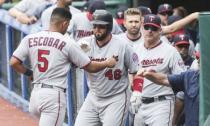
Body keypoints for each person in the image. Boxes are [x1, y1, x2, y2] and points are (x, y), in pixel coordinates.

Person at [9, 8, 117, 126]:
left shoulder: (30, 38)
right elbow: (90, 67)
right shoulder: (67, 42)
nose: (67, 28)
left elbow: (14, 62)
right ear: (64, 23)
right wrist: (107, 63)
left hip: (35, 95)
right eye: (67, 25)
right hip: (53, 96)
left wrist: (29, 73)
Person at [74, 9, 139, 126]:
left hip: (116, 98)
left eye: (101, 26)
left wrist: (137, 91)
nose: (97, 30)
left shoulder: (123, 45)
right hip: (93, 96)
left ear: (109, 27)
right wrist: (75, 49)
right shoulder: (85, 44)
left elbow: (136, 71)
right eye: (95, 26)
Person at [131, 14, 186, 126]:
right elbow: (131, 73)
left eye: (154, 28)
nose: (150, 31)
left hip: (162, 103)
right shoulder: (135, 49)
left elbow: (182, 80)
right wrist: (134, 91)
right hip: (140, 104)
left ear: (160, 30)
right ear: (142, 27)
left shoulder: (170, 51)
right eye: (147, 27)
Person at [137, 51, 200, 126]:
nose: (198, 61)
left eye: (200, 59)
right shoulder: (190, 76)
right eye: (198, 58)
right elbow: (163, 79)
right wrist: (147, 74)